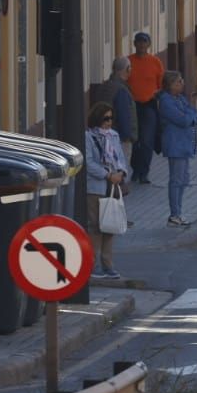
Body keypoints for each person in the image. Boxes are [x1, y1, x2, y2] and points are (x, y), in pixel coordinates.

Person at [84, 102, 132, 278]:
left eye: (111, 118)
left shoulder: (113, 136)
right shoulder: (88, 137)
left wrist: (121, 173)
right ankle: (93, 264)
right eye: (105, 118)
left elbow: (120, 157)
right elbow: (88, 162)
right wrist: (107, 175)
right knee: (95, 226)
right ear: (97, 119)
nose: (109, 122)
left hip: (113, 186)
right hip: (96, 186)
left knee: (110, 225)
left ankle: (108, 264)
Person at [158, 71, 197, 226]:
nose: (182, 83)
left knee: (184, 179)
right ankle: (174, 214)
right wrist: (190, 117)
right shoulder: (166, 101)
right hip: (175, 144)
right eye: (178, 82)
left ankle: (179, 212)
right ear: (170, 85)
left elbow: (195, 114)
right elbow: (183, 120)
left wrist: (190, 116)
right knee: (176, 180)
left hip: (185, 144)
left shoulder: (181, 99)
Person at [127, 32, 165, 184]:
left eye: (145, 42)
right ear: (134, 44)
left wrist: (158, 97)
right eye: (139, 42)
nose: (142, 45)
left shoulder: (155, 62)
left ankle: (144, 172)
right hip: (133, 106)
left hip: (149, 105)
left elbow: (161, 85)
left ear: (149, 44)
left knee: (147, 140)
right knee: (135, 141)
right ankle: (135, 170)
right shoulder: (128, 61)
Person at [94, 57, 138, 166]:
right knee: (121, 171)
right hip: (118, 138)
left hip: (101, 135)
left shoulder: (104, 86)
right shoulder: (121, 90)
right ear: (128, 69)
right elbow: (124, 117)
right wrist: (128, 137)